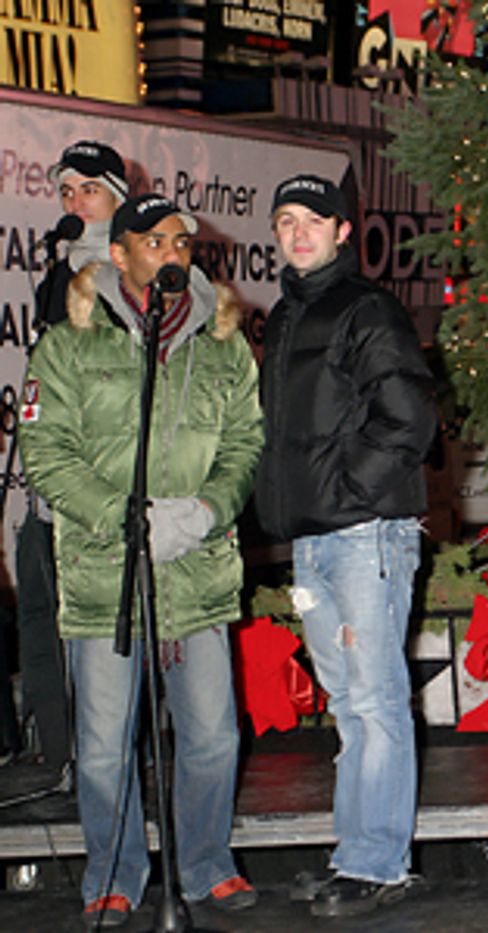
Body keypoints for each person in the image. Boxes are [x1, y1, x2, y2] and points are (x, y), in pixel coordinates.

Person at [18, 191, 262, 929]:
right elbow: (46, 452)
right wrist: (118, 517)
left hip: (197, 570)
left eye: (182, 242)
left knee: (215, 736)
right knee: (101, 750)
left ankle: (208, 864)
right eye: (154, 241)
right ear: (118, 254)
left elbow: (246, 445)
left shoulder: (224, 342)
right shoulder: (68, 345)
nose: (172, 253)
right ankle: (114, 873)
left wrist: (205, 512)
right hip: (106, 576)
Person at [255, 174, 436, 918]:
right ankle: (358, 851)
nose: (298, 232)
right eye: (285, 220)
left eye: (312, 220)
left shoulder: (367, 308)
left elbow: (407, 419)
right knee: (348, 704)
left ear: (341, 232)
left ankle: (376, 860)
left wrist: (347, 493)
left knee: (374, 698)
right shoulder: (283, 318)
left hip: (364, 533)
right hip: (313, 540)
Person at [11, 140, 128, 777]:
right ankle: (62, 752)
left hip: (106, 472)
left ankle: (108, 757)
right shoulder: (57, 271)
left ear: (116, 197)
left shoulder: (128, 267)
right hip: (56, 469)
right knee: (44, 605)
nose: (75, 201)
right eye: (66, 190)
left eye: (89, 188)